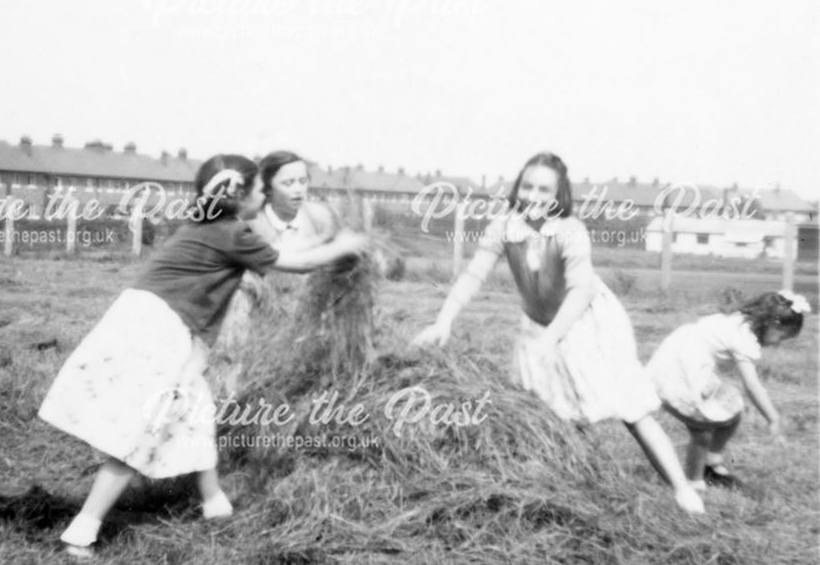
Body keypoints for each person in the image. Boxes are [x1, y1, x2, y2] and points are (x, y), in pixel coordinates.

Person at [39, 154, 367, 557]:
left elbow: (283, 248)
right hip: (156, 329)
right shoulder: (229, 233)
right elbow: (293, 262)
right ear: (238, 197)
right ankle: (82, 530)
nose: (264, 198)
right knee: (146, 428)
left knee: (196, 410)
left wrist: (330, 243)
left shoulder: (214, 227)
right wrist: (347, 246)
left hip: (151, 321)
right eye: (262, 191)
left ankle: (215, 504)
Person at [412, 151, 705, 515]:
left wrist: (551, 339)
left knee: (629, 407)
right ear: (518, 186)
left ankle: (683, 490)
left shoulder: (570, 231)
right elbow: (474, 274)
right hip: (536, 325)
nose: (534, 196)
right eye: (528, 186)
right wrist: (445, 320)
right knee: (554, 413)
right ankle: (572, 489)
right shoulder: (504, 225)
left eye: (544, 190)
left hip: (587, 323)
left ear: (558, 195)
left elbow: (581, 291)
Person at [646, 290, 809, 490]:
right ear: (773, 323)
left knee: (733, 407)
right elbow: (752, 384)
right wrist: (772, 418)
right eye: (781, 337)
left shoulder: (740, 320)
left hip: (692, 364)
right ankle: (694, 482)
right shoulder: (743, 337)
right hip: (678, 369)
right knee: (702, 429)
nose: (778, 344)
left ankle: (712, 461)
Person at [212, 151, 339, 394]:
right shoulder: (249, 223)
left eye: (303, 181)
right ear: (268, 188)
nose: (298, 190)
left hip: (307, 323)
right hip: (256, 325)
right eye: (288, 183)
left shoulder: (320, 219)